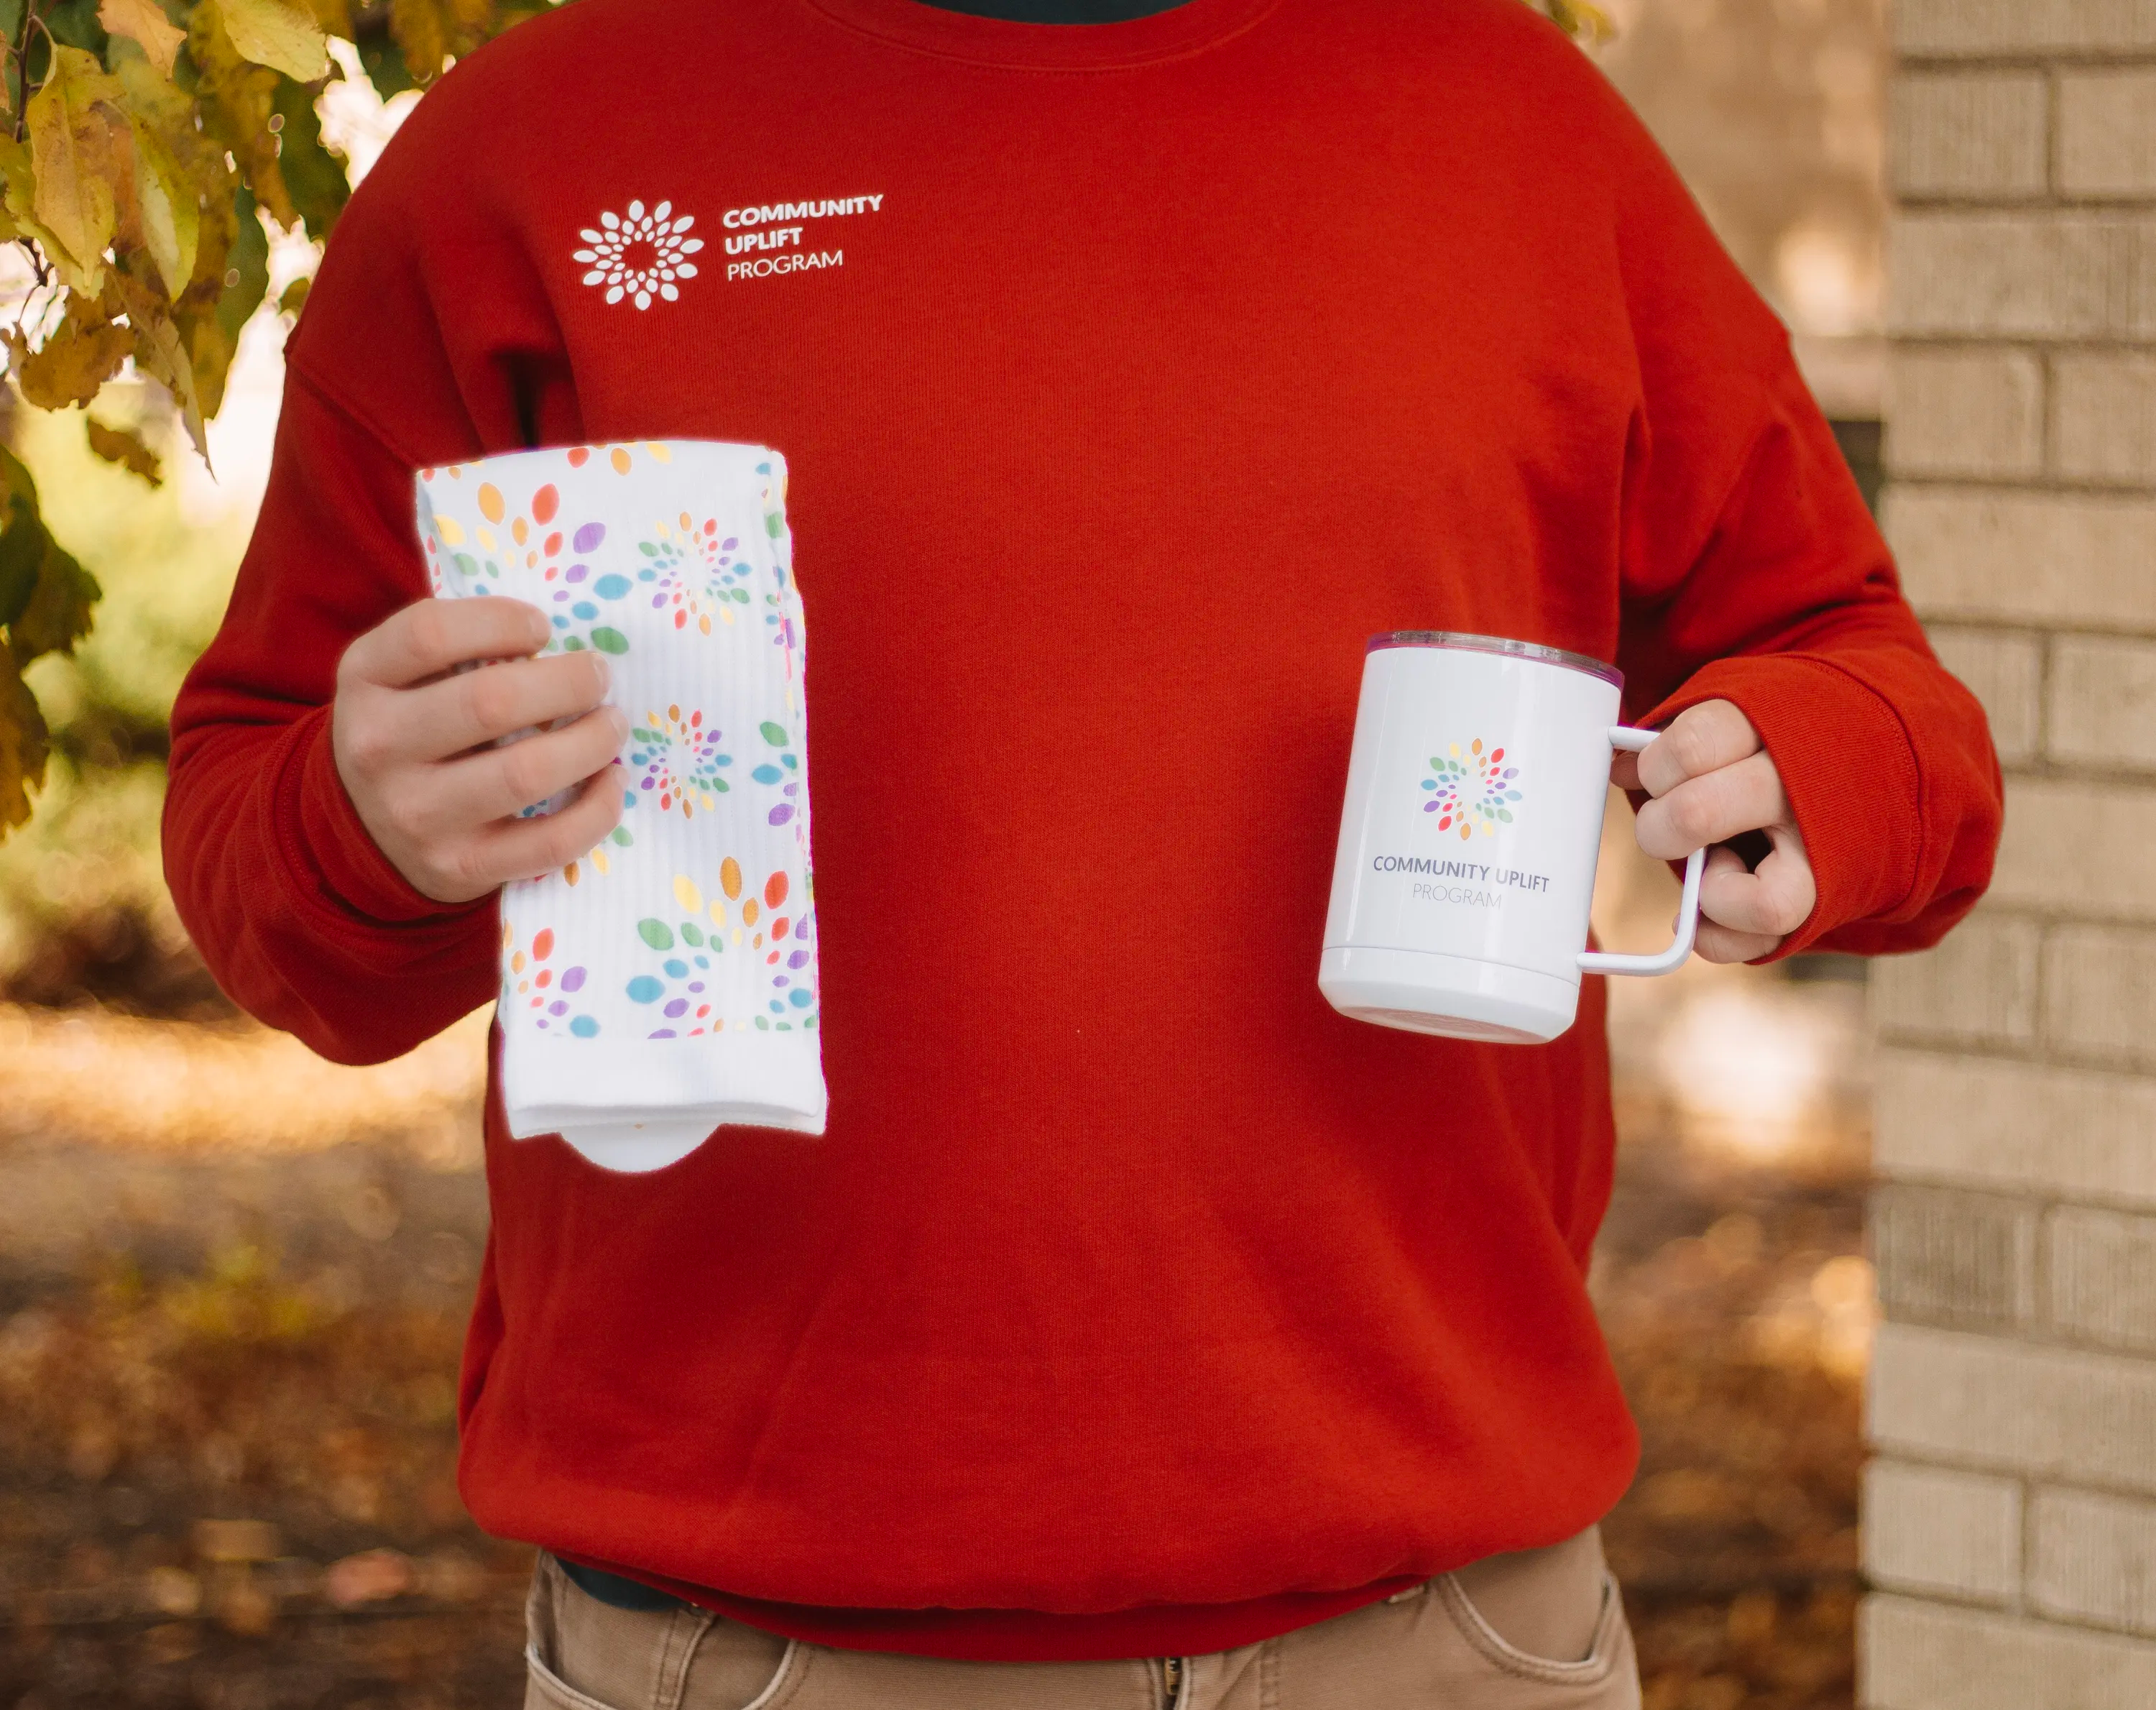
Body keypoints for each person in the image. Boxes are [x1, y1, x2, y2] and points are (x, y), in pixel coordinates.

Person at [162, 0, 2004, 1704]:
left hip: (1437, 1644)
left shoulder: (1512, 118)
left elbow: (1881, 698)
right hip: (754, 1661)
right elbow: (257, 849)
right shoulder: (545, 142)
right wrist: (370, 824)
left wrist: (1808, 771)